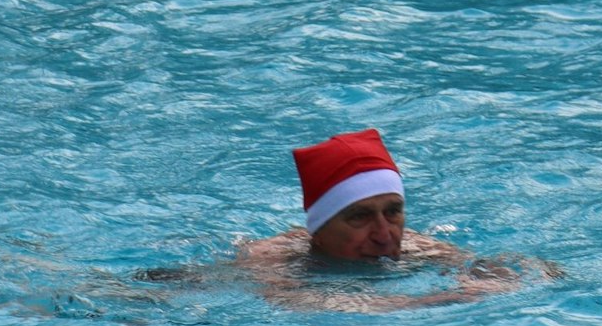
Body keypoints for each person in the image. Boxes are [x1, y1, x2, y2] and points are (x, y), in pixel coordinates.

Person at [225, 128, 554, 312]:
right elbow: (297, 302)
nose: (385, 235)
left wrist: (506, 278)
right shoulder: (269, 260)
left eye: (393, 212)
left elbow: (519, 271)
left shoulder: (416, 246)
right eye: (360, 217)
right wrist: (423, 302)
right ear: (319, 232)